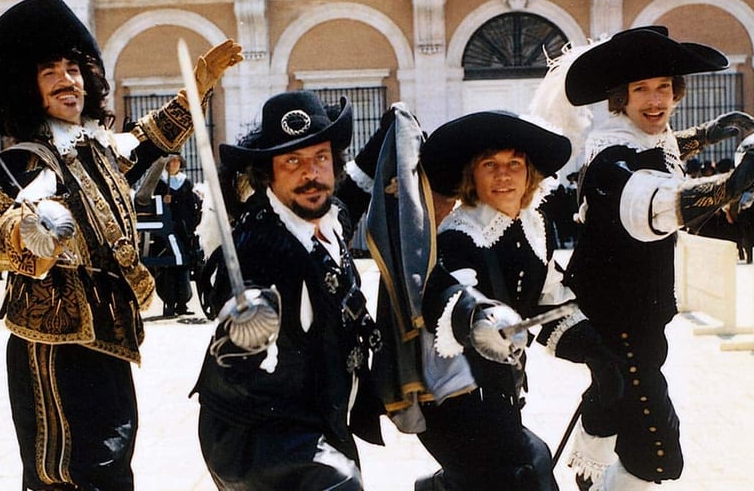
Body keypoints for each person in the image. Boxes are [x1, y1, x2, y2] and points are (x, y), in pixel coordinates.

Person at [0, 0, 242, 489]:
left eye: (72, 69)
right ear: (29, 89)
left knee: (113, 457)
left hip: (109, 334)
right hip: (54, 342)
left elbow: (149, 140)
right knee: (64, 470)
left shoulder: (97, 148)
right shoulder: (22, 159)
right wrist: (30, 230)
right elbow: (2, 225)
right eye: (50, 73)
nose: (67, 80)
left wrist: (196, 89)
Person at [556, 26, 754, 490]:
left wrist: (705, 135)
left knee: (617, 406)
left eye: (663, 87)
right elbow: (657, 199)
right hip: (618, 322)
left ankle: (590, 469)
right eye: (641, 89)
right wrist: (733, 183)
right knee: (657, 450)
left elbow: (660, 150)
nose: (655, 100)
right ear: (620, 98)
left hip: (635, 320)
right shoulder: (612, 160)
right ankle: (594, 473)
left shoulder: (635, 142)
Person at [408, 110, 615, 491]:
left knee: (519, 471)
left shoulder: (536, 227)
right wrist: (479, 318)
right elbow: (450, 301)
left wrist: (596, 354)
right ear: (472, 176)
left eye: (514, 164)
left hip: (502, 394)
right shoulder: (458, 236)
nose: (503, 175)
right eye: (490, 165)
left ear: (529, 174)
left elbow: (549, 304)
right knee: (530, 472)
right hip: (451, 399)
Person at [190, 90, 384, 490]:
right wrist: (247, 318)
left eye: (320, 158)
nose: (311, 173)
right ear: (269, 174)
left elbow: (353, 193)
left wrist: (389, 131)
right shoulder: (258, 245)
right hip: (255, 432)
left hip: (320, 418)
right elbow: (238, 295)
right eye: (292, 161)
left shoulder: (330, 217)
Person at [153, 154, 203, 316]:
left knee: (182, 265)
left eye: (177, 161)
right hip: (166, 230)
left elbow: (192, 206)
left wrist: (191, 226)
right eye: (171, 161)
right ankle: (169, 302)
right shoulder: (160, 182)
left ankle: (182, 303)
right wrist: (163, 200)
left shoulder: (185, 182)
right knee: (167, 266)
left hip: (183, 230)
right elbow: (153, 203)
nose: (174, 164)